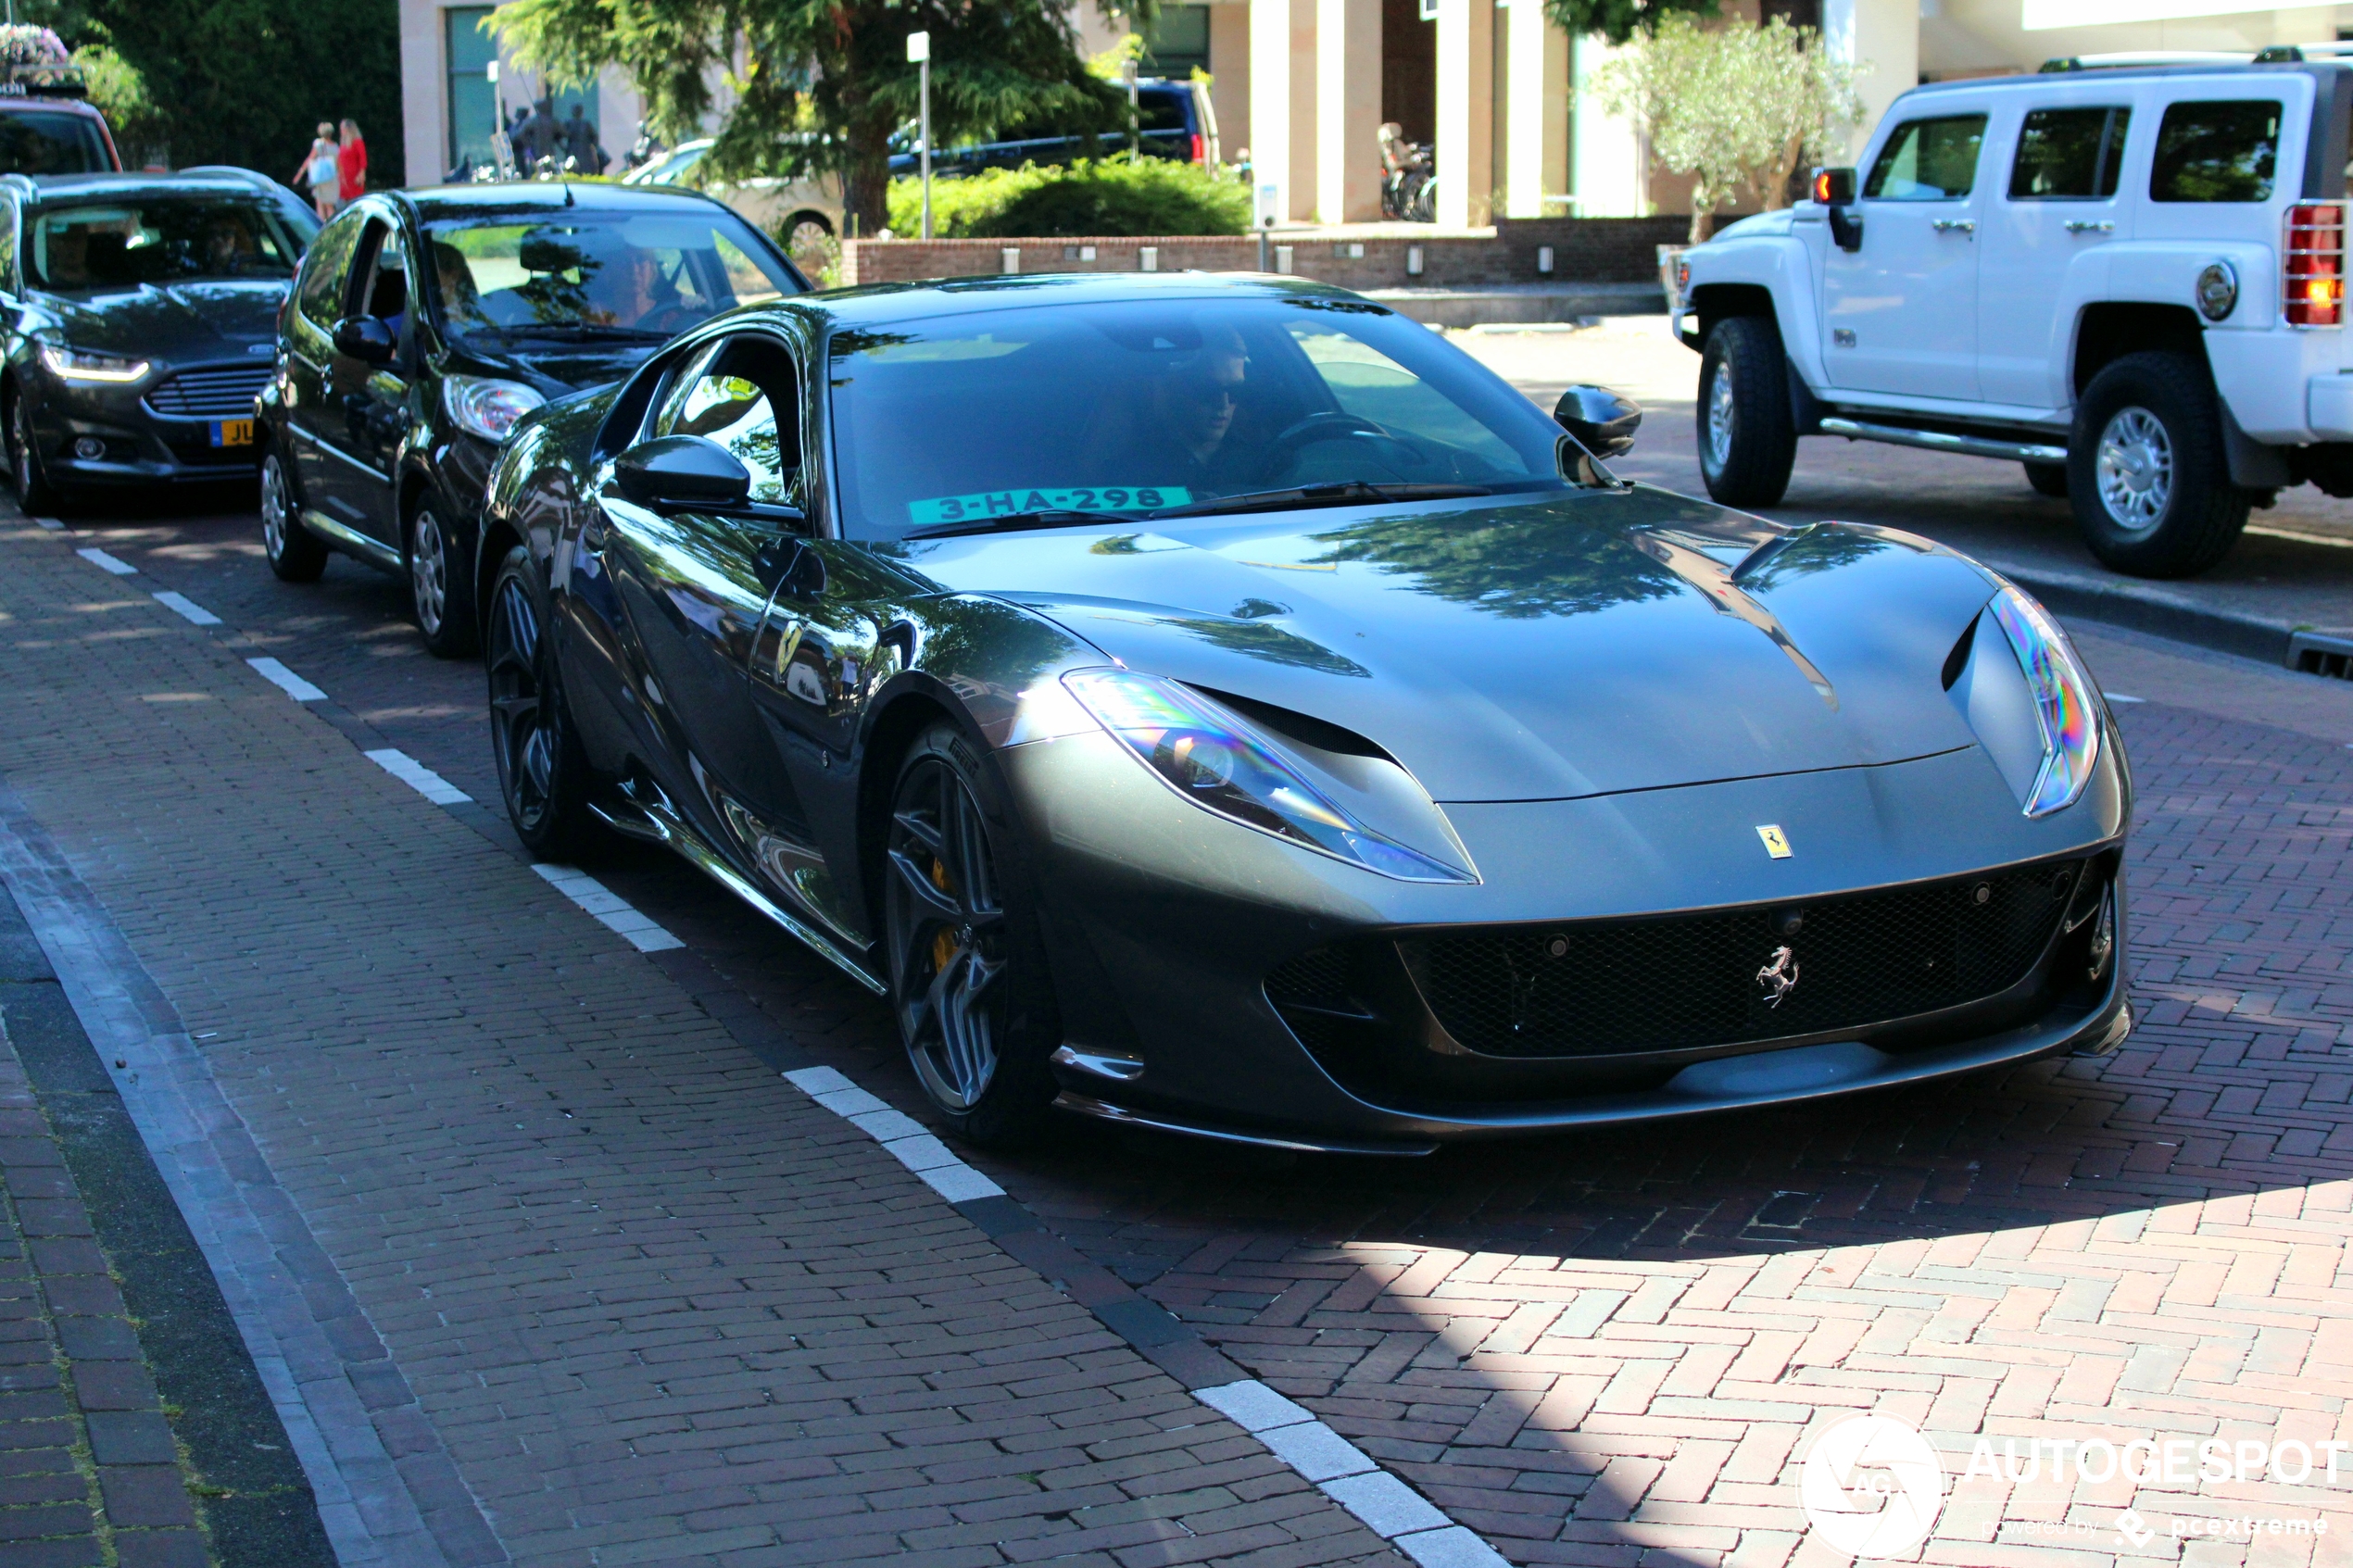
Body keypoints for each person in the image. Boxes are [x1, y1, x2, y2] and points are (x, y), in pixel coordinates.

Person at [295, 123, 340, 220]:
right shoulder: (336, 147)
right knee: (330, 205)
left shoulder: (318, 144)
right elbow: (339, 165)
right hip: (332, 178)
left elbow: (310, 159)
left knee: (320, 203)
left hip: (320, 178)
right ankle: (332, 226)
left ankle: (321, 227)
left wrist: (300, 173)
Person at [336, 119, 367, 206]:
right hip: (344, 177)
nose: (341, 130)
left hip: (354, 177)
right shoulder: (343, 143)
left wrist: (361, 174)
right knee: (344, 201)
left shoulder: (358, 142)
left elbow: (363, 158)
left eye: (342, 128)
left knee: (355, 200)